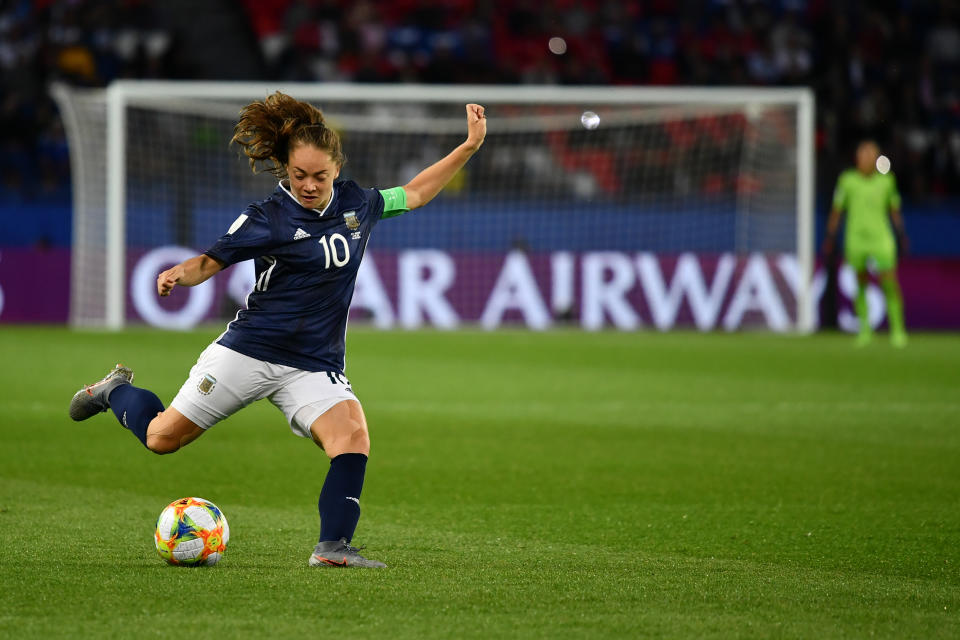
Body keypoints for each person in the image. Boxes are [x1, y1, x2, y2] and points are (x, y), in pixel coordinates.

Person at [69, 92, 487, 568]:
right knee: (162, 439)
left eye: (320, 176)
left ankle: (332, 548)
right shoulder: (267, 216)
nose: (308, 185)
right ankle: (114, 391)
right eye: (299, 175)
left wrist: (469, 146)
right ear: (285, 169)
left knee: (352, 436)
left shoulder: (358, 204)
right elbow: (209, 260)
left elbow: (413, 193)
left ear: (336, 169)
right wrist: (178, 274)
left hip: (313, 363)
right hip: (250, 350)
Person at [823, 140, 908, 347]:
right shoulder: (847, 180)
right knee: (860, 283)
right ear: (857, 158)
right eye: (864, 155)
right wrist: (831, 236)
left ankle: (897, 330)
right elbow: (837, 210)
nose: (867, 160)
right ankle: (865, 330)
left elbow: (894, 210)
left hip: (881, 238)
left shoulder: (886, 181)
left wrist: (901, 234)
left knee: (888, 282)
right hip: (856, 238)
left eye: (871, 156)